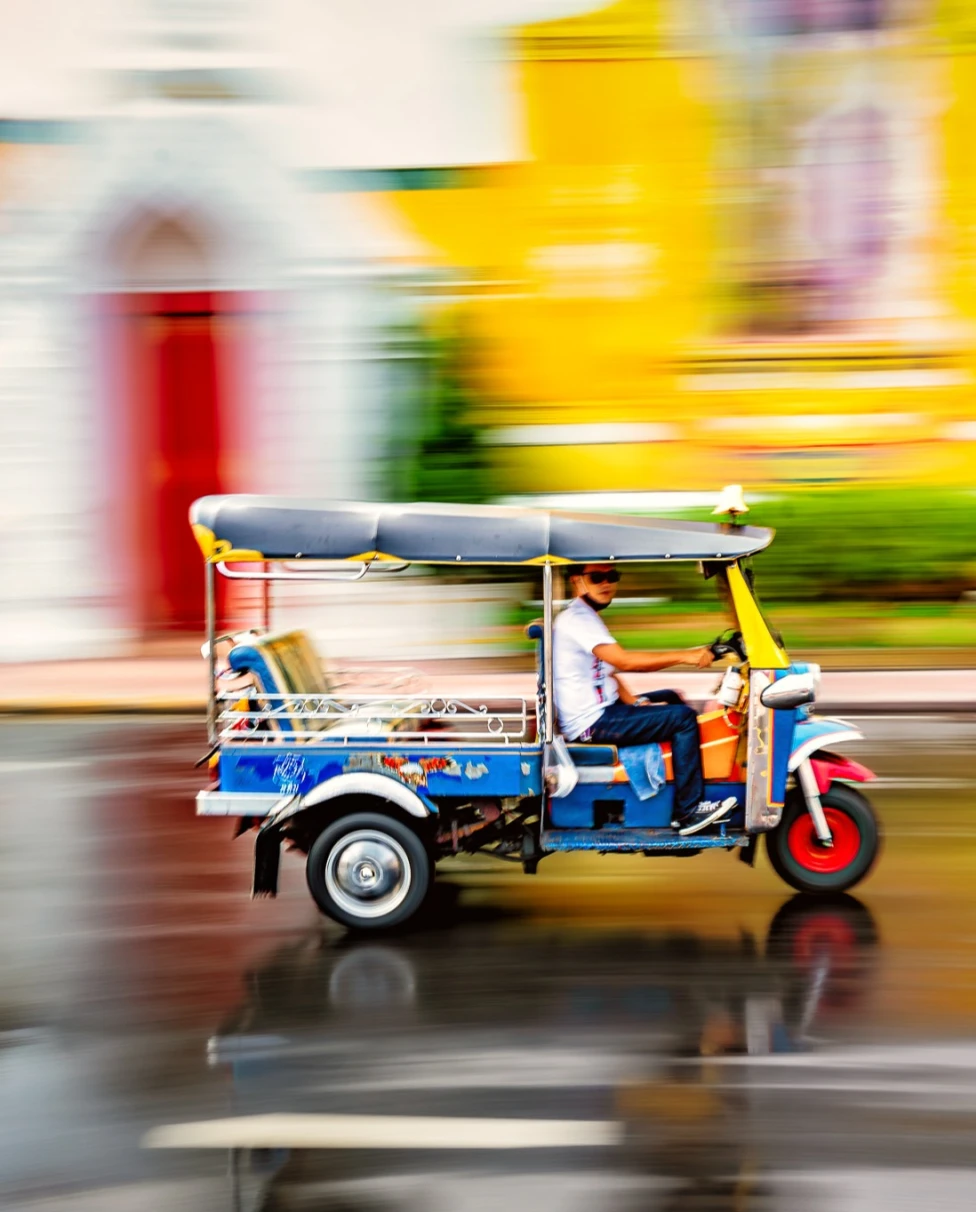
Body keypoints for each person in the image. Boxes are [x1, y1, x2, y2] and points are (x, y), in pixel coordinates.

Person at [552, 563, 736, 836]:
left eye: (611, 576)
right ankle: (688, 812)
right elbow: (625, 661)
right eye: (597, 577)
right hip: (593, 723)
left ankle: (683, 776)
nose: (606, 583)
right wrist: (687, 656)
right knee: (683, 719)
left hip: (604, 710)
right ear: (577, 582)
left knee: (671, 698)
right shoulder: (578, 620)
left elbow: (609, 674)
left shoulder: (585, 616)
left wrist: (637, 703)